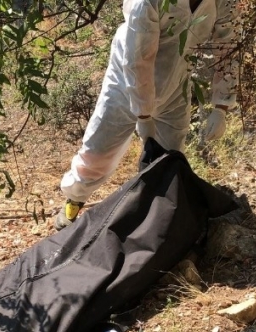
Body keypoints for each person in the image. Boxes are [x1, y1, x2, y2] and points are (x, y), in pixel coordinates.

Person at [55, 0, 241, 230]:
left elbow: (229, 46)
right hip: (125, 82)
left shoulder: (224, 3)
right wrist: (143, 115)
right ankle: (75, 198)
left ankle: (153, 221)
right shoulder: (147, 2)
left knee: (169, 159)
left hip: (176, 84)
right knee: (98, 150)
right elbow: (138, 59)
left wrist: (221, 106)